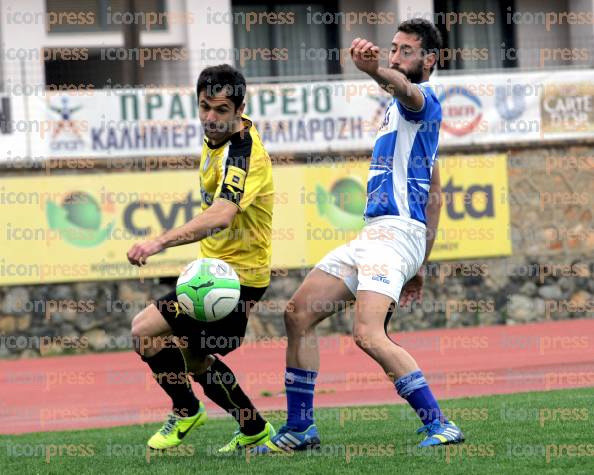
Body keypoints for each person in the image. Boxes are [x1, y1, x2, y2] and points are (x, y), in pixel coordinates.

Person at [254, 18, 464, 453]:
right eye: (392, 48)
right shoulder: (404, 118)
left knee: (367, 334)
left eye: (405, 50)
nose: (394, 56)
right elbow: (436, 194)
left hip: (395, 235)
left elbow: (403, 89)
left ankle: (441, 424)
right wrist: (419, 264)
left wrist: (371, 71)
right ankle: (299, 429)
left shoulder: (420, 101)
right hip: (377, 236)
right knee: (297, 314)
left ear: (431, 59)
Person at [126, 64, 276, 452]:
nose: (210, 118)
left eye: (221, 110)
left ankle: (186, 408)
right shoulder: (216, 141)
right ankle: (253, 427)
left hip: (235, 280)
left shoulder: (244, 153)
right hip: (213, 271)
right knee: (192, 358)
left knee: (145, 332)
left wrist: (160, 243)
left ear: (240, 108)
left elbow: (222, 213)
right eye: (205, 107)